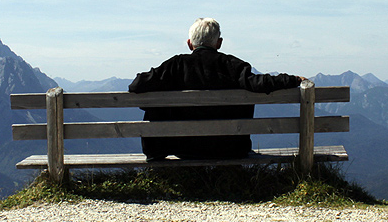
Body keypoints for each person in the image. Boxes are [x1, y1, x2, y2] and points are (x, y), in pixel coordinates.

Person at [128, 18, 304, 160]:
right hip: (229, 148)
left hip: (181, 147)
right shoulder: (233, 66)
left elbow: (136, 85)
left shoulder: (175, 65)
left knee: (156, 104)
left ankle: (155, 153)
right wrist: (293, 80)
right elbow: (259, 83)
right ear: (219, 43)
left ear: (190, 44)